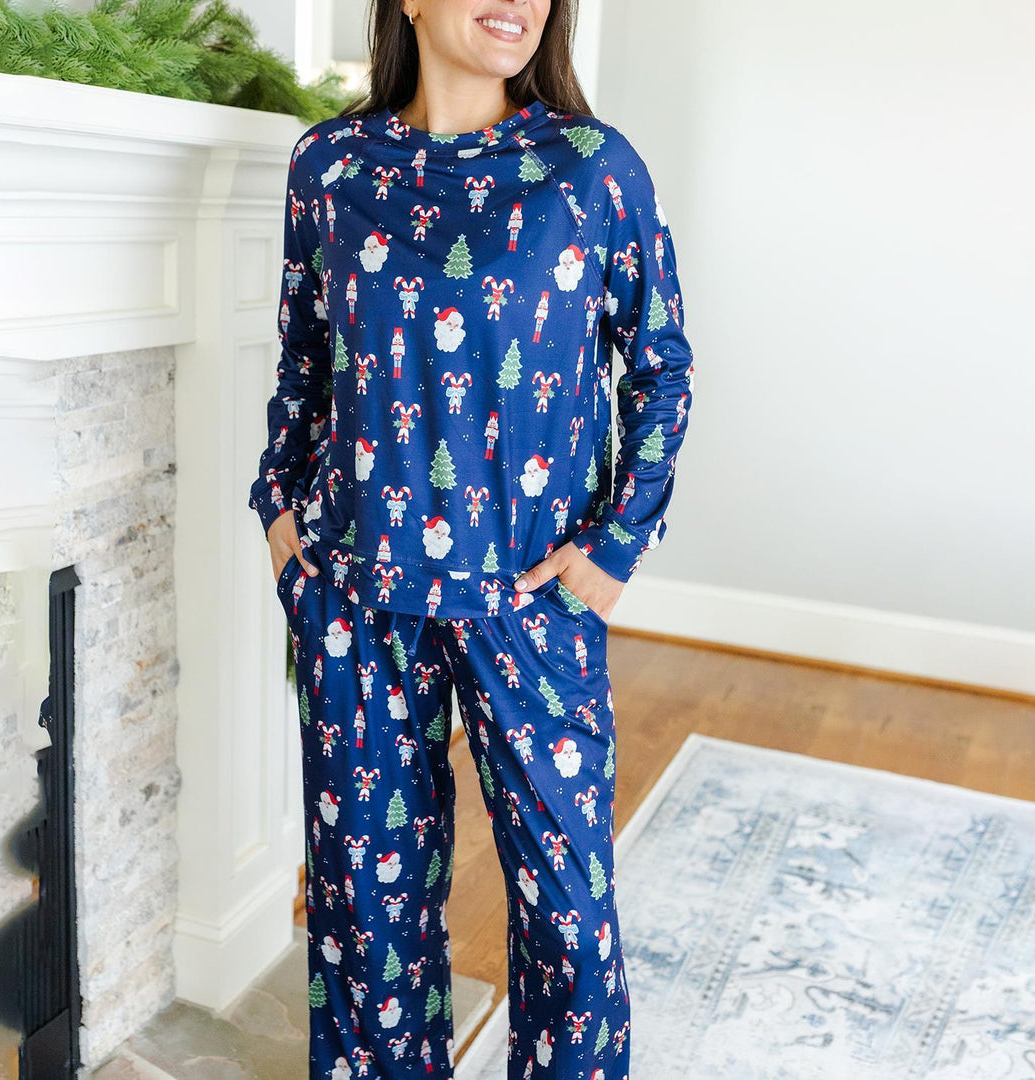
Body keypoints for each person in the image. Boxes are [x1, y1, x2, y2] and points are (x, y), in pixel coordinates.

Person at [248, 2, 695, 1076]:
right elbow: (305, 360)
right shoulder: (331, 165)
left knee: (571, 922)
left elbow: (662, 363)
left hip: (531, 600)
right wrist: (276, 508)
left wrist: (614, 545)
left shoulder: (588, 167)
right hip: (354, 595)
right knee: (366, 922)